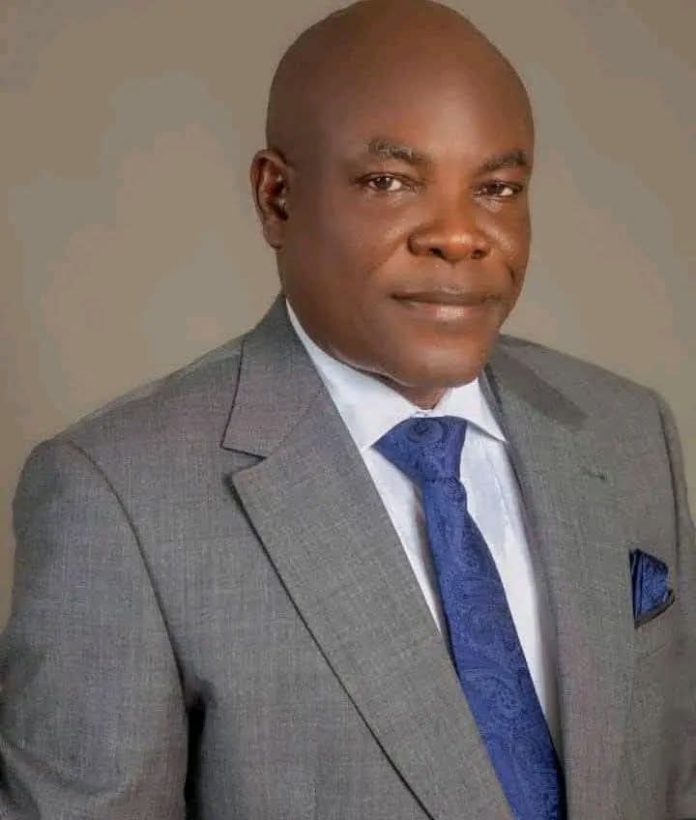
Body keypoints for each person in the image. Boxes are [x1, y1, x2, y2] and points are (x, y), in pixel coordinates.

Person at [1, 0, 694, 817]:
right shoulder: (120, 499)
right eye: (389, 182)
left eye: (497, 188)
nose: (460, 236)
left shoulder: (627, 430)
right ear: (277, 198)